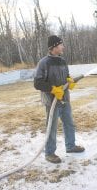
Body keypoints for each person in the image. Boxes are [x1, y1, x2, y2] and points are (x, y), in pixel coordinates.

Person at [34, 35, 85, 164]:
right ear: (54, 47)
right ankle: (50, 153)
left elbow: (66, 76)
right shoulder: (44, 63)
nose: (63, 47)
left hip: (64, 99)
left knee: (69, 124)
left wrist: (69, 81)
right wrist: (52, 89)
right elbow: (37, 83)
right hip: (52, 102)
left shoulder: (62, 61)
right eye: (61, 45)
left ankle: (70, 146)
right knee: (52, 127)